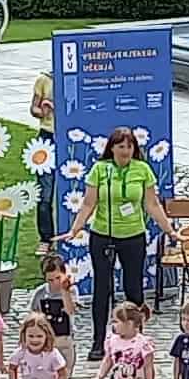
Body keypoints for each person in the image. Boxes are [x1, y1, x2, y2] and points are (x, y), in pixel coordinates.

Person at [72, 125, 161, 348]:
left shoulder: (142, 169)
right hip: (103, 234)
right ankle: (98, 340)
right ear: (111, 148)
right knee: (102, 288)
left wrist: (169, 230)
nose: (126, 151)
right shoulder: (100, 169)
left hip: (133, 235)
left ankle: (135, 338)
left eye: (130, 146)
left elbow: (152, 204)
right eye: (121, 146)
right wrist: (76, 228)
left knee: (133, 288)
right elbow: (89, 203)